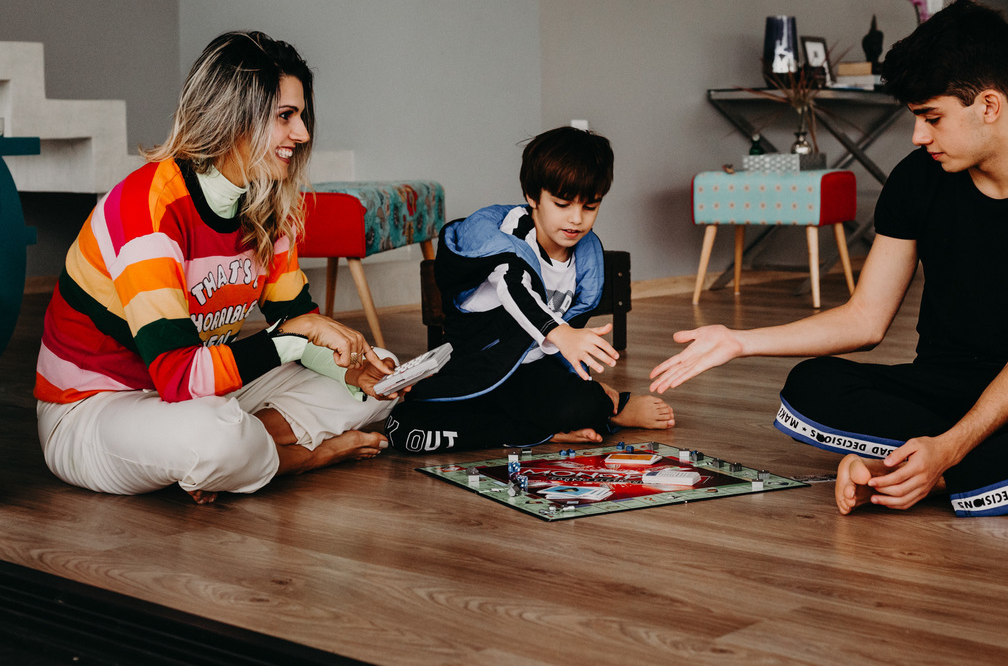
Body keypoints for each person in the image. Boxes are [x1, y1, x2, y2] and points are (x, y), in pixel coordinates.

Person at [650, 0, 1008, 517]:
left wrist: (949, 449)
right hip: (940, 390)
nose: (919, 137)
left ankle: (942, 475)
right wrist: (739, 341)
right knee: (813, 384)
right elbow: (865, 319)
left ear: (989, 105)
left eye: (932, 118)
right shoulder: (919, 179)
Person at [34, 31, 405, 505]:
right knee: (216, 436)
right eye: (285, 117)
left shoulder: (270, 204)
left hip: (200, 395)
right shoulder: (148, 208)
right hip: (94, 409)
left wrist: (350, 370)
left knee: (383, 375)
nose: (303, 134)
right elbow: (179, 374)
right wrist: (296, 338)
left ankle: (246, 453)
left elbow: (297, 323)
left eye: (302, 116)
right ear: (234, 118)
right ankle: (302, 456)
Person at [385, 126, 674, 453]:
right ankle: (546, 432)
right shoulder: (506, 241)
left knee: (583, 407)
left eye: (590, 207)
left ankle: (605, 407)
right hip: (479, 367)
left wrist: (577, 369)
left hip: (535, 374)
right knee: (405, 430)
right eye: (562, 204)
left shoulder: (585, 255)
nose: (576, 219)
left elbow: (565, 344)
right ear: (533, 197)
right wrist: (561, 333)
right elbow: (514, 287)